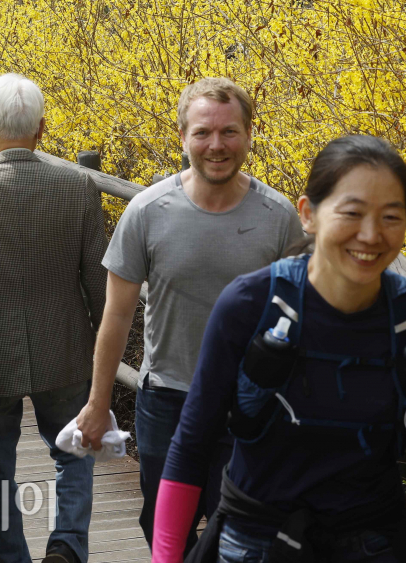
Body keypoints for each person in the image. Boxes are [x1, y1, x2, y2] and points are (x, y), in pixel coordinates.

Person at [152, 136, 406, 563]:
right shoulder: (250, 305)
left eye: (391, 217)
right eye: (352, 213)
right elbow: (192, 443)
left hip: (372, 543)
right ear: (308, 214)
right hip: (255, 544)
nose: (371, 235)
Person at [76, 77, 304, 550]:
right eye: (202, 132)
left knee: (238, 535)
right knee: (165, 531)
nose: (216, 145)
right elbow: (116, 316)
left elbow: (300, 318)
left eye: (229, 131)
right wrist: (98, 404)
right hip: (168, 400)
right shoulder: (147, 211)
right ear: (182, 137)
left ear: (249, 135)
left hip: (250, 403)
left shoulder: (278, 216)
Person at [0, 73, 109, 563]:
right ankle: (67, 546)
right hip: (66, 347)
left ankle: (10, 557)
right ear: (41, 129)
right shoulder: (79, 186)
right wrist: (102, 348)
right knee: (73, 452)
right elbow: (99, 282)